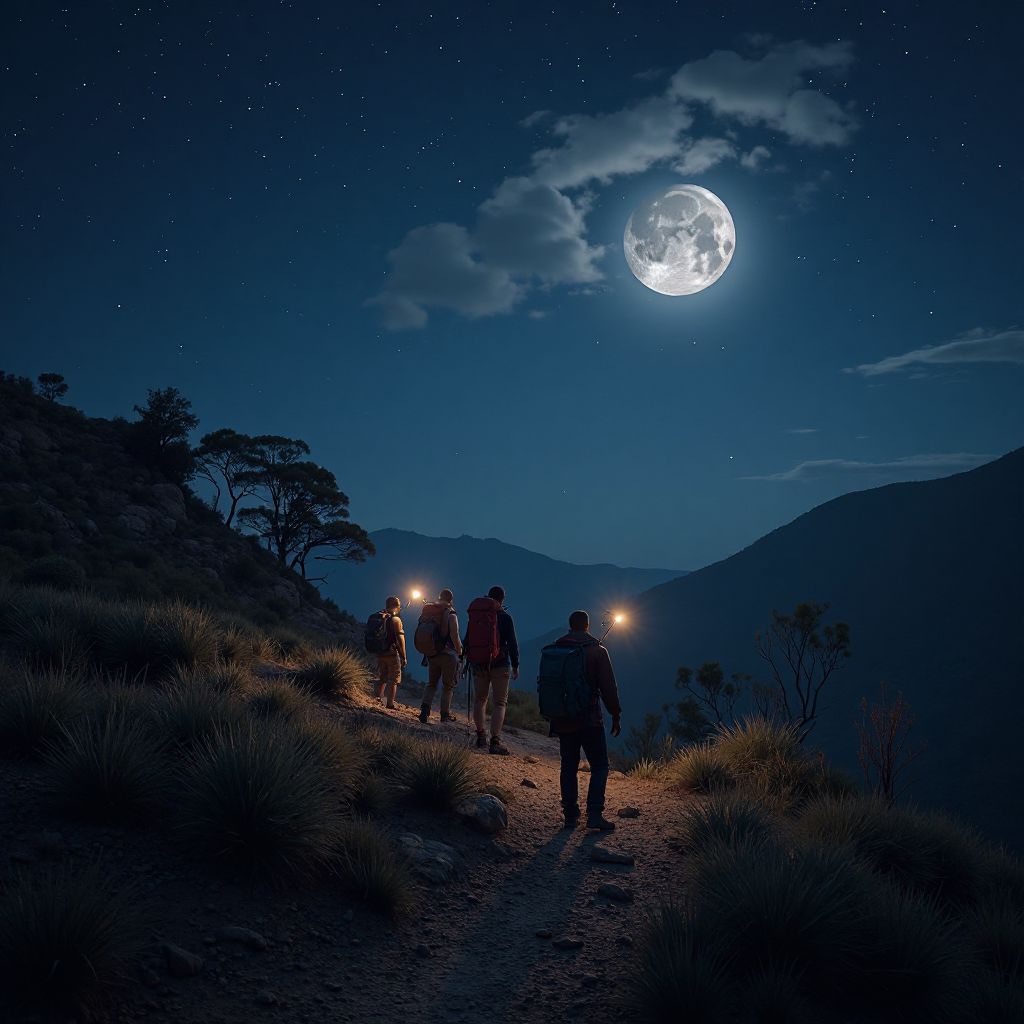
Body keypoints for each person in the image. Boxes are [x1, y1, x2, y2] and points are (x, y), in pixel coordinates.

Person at [549, 609, 622, 831]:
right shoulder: (597, 650)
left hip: (563, 717)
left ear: (570, 626)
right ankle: (594, 814)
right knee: (600, 765)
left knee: (568, 764)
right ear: (587, 626)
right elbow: (608, 687)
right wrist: (615, 714)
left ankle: (570, 815)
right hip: (590, 718)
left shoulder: (557, 648)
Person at [466, 585, 519, 755]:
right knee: (499, 703)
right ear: (502, 599)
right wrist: (516, 665)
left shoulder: (477, 615)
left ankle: (480, 736)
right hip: (500, 663)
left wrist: (465, 660)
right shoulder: (505, 617)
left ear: (488, 597)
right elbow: (512, 643)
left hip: (479, 662)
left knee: (479, 700)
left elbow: (467, 639)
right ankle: (495, 741)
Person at [418, 588, 463, 723]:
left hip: (432, 653)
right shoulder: (451, 614)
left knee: (431, 683)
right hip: (448, 656)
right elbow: (455, 636)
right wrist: (460, 652)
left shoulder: (431, 611)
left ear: (439, 597)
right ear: (451, 600)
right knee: (448, 686)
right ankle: (444, 715)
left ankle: (424, 710)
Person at [373, 595, 406, 709]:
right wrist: (403, 656)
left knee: (382, 676)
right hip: (391, 653)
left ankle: (379, 698)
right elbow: (400, 639)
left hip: (380, 652)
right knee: (393, 678)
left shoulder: (381, 617)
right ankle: (390, 704)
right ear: (397, 606)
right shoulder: (396, 619)